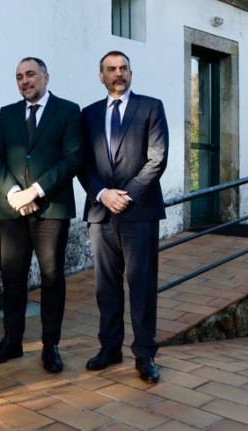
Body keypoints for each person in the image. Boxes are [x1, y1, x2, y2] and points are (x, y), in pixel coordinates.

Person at [0, 57, 82, 374]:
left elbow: (72, 160)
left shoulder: (68, 111)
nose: (25, 81)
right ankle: (12, 341)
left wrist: (35, 191)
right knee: (12, 279)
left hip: (51, 210)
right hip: (11, 210)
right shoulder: (8, 114)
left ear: (46, 77)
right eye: (18, 77)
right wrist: (14, 194)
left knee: (52, 279)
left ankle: (50, 346)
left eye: (30, 74)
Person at [79, 51, 168, 383]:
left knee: (142, 286)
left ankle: (145, 354)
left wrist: (125, 195)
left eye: (123, 68)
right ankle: (109, 347)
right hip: (101, 213)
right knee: (106, 286)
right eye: (111, 69)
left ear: (131, 73)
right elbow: (82, 164)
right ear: (101, 76)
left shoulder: (151, 107)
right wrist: (103, 194)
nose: (118, 74)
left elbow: (157, 159)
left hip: (139, 212)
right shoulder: (87, 114)